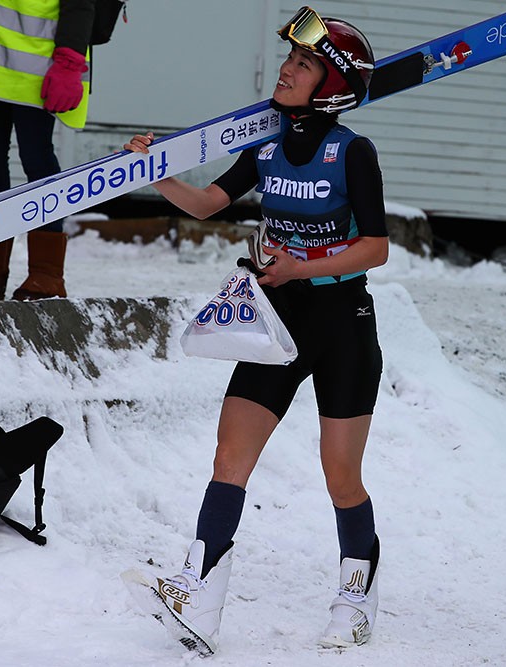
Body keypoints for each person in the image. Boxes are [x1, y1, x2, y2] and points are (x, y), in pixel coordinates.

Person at [124, 7, 387, 654]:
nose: (286, 70)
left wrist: (303, 265)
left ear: (332, 84)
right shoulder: (267, 142)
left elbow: (376, 248)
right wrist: (156, 171)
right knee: (229, 457)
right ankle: (198, 593)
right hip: (279, 318)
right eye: (290, 59)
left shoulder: (352, 152)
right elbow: (209, 203)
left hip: (344, 324)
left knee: (340, 475)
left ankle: (356, 596)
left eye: (303, 63)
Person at [0, 0, 96, 301]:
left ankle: (47, 274)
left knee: (37, 161)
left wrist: (69, 65)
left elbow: (79, 6)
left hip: (38, 73)